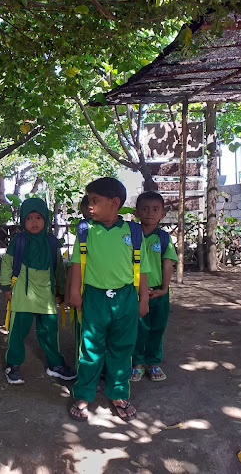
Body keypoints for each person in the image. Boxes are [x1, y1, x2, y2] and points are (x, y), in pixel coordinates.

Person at [67, 177, 150, 422]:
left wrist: (143, 298)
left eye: (95, 201)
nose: (89, 206)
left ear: (115, 203)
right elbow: (76, 264)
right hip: (94, 297)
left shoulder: (133, 232)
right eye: (89, 200)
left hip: (126, 298)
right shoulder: (85, 231)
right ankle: (83, 394)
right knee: (90, 348)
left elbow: (142, 268)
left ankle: (118, 394)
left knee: (122, 348)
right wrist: (74, 292)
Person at [0, 198, 75, 385]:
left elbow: (58, 268)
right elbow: (7, 264)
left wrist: (60, 291)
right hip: (22, 295)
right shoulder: (19, 241)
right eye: (29, 218)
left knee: (49, 331)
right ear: (22, 220)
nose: (34, 222)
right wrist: (5, 286)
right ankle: (14, 365)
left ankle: (55, 365)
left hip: (46, 296)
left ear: (47, 219)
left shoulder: (51, 242)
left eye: (39, 217)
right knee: (17, 332)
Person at [131, 191, 178, 382]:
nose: (150, 213)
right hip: (135, 291)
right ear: (136, 213)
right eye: (145, 209)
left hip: (158, 291)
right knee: (137, 328)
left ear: (163, 214)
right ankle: (137, 363)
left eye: (155, 209)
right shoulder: (131, 236)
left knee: (157, 327)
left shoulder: (164, 239)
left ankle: (153, 362)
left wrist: (164, 289)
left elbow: (168, 263)